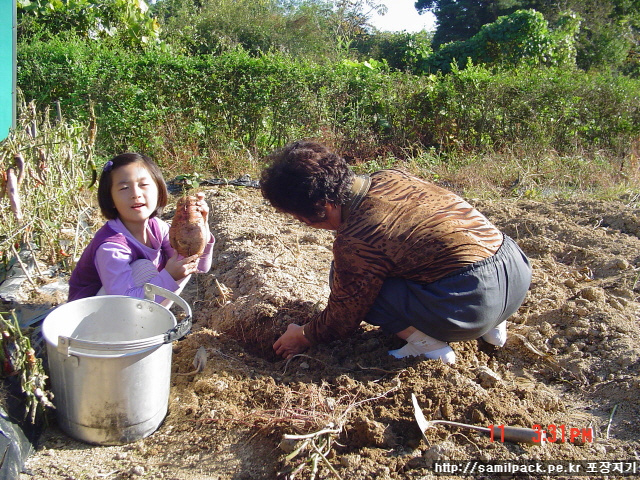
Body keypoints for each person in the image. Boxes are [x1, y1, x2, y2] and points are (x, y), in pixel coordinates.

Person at [260, 141, 532, 364]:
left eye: (302, 218)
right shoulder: (390, 175)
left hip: (473, 304)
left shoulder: (356, 240)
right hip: (514, 270)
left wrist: (305, 334)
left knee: (347, 279)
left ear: (325, 205)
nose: (305, 224)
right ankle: (496, 326)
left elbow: (343, 317)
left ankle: (430, 346)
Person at [68, 152, 215, 305]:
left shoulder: (158, 227)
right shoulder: (111, 248)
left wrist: (200, 226)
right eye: (124, 188)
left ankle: (153, 324)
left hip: (133, 310)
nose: (136, 194)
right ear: (110, 199)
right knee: (144, 268)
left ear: (158, 190)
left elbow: (198, 266)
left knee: (182, 262)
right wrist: (169, 276)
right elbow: (126, 302)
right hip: (93, 318)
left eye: (143, 185)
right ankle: (143, 327)